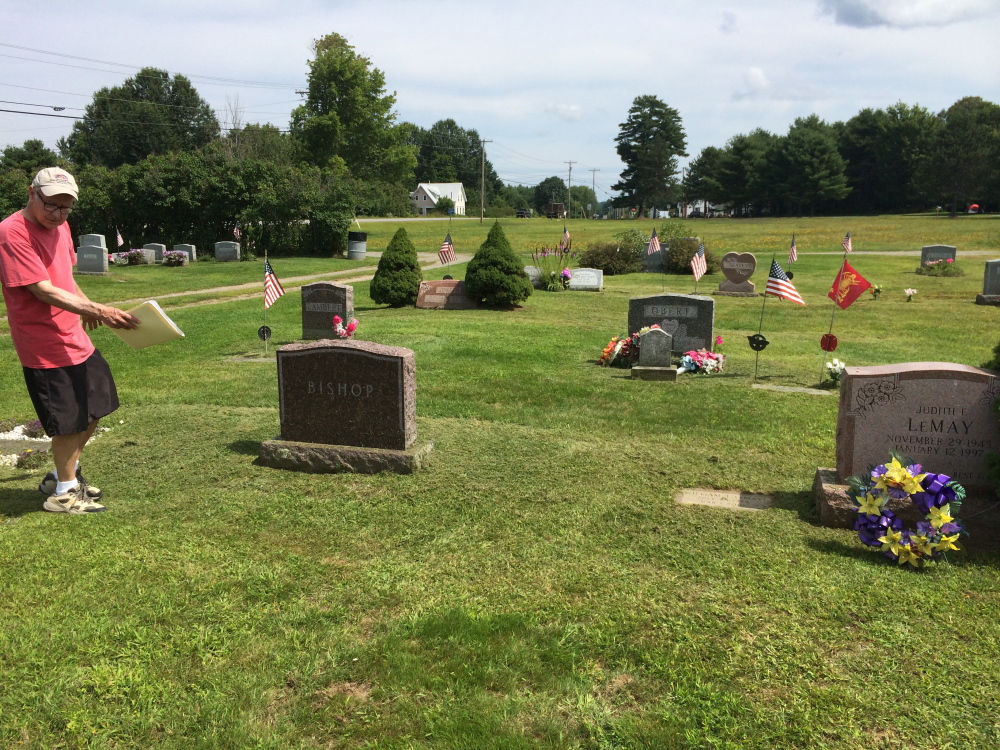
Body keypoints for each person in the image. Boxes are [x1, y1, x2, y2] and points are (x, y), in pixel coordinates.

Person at [0, 168, 139, 514]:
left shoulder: (60, 225)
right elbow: (42, 289)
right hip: (43, 343)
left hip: (74, 335)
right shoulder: (11, 232)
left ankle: (62, 475)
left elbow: (64, 276)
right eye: (51, 206)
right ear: (32, 192)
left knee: (96, 406)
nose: (58, 216)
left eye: (66, 209)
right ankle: (62, 495)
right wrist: (100, 310)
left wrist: (86, 305)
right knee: (67, 420)